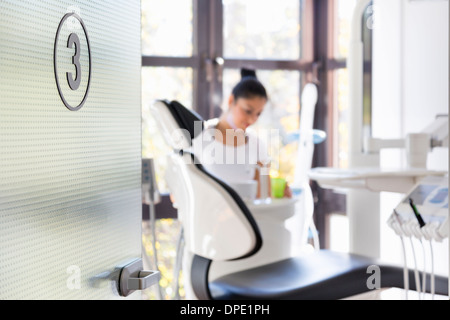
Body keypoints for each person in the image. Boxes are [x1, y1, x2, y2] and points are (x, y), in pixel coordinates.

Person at [192, 68, 292, 199]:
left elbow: (264, 197)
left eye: (258, 114)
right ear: (231, 101)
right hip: (209, 216)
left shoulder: (256, 145)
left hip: (245, 218)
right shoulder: (200, 137)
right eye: (248, 111)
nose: (252, 119)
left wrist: (281, 197)